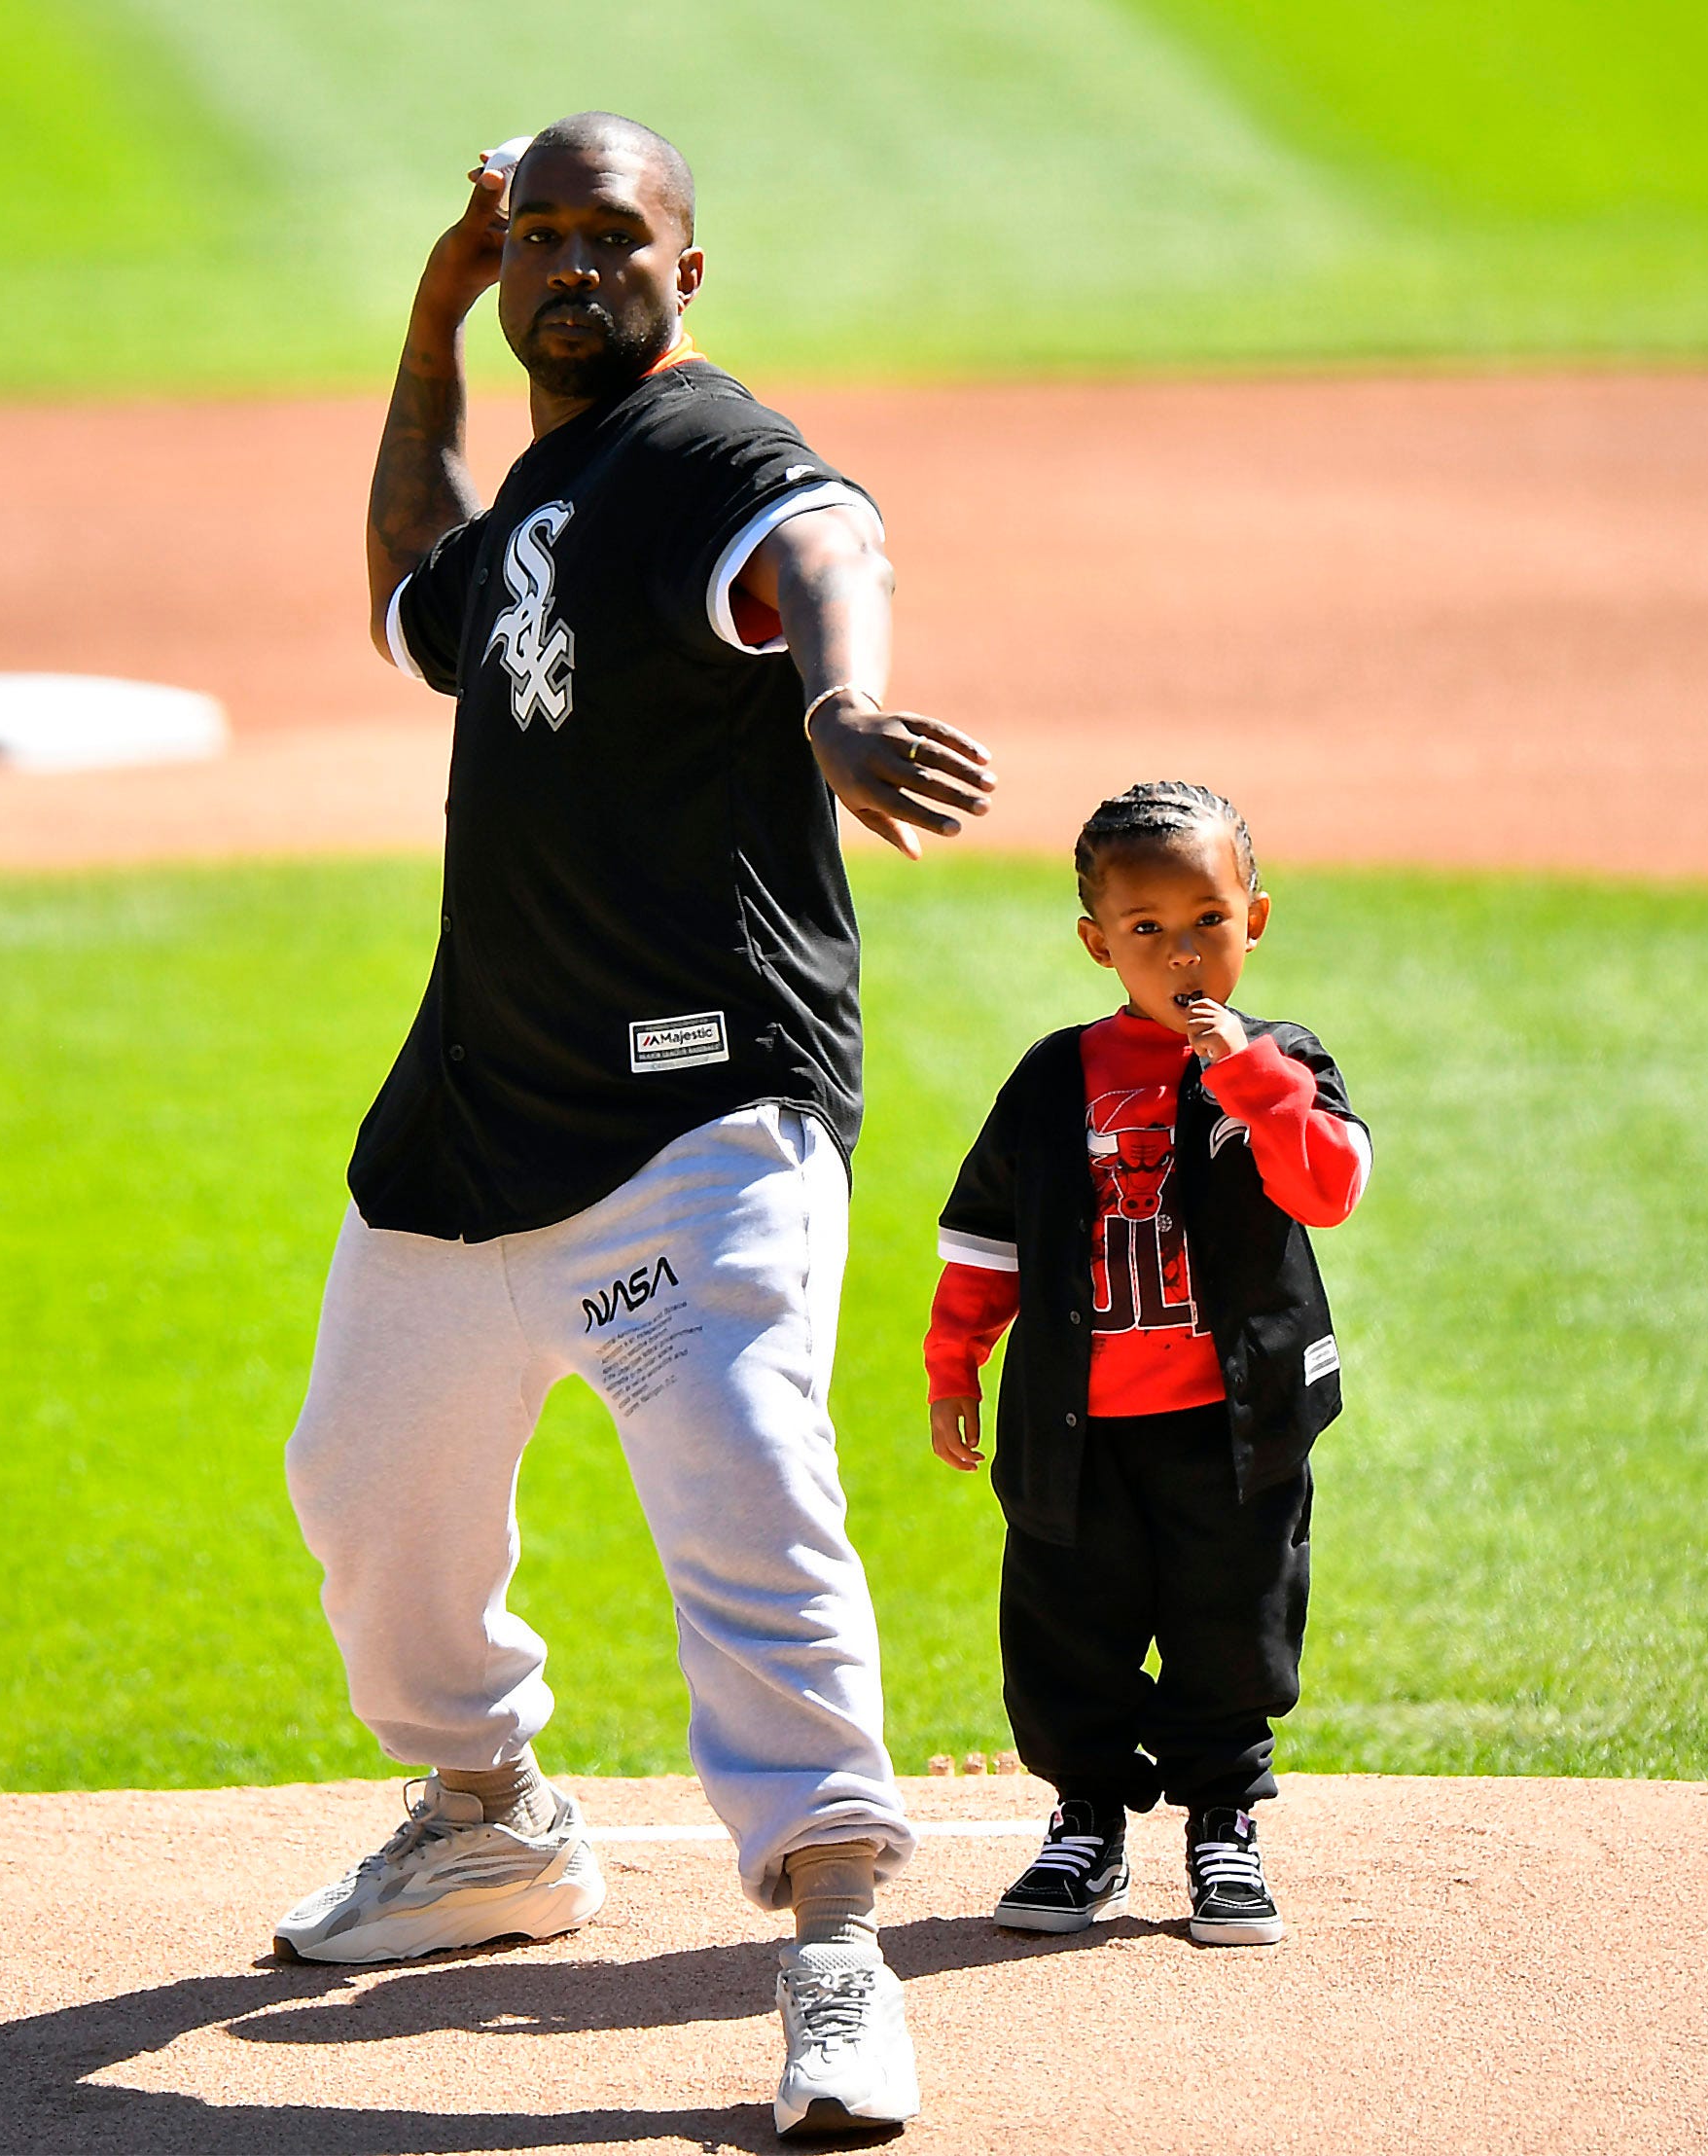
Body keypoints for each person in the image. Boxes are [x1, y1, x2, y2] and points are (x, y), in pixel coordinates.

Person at [273, 112, 996, 2140]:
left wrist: (843, 703)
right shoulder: (537, 503)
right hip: (478, 1111)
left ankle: (835, 1944)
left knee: (750, 1492)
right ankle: (489, 1816)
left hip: (701, 1111)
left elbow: (824, 534)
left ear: (689, 274)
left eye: (618, 237)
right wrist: (426, 320)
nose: (573, 266)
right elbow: (413, 589)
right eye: (543, 240)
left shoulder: (699, 453)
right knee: (365, 1493)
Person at [924, 781, 1369, 1944]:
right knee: (1068, 1628)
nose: (1182, 953)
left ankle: (1223, 1823)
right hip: (1079, 1425)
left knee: (1237, 1622)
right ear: (1098, 942)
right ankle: (1085, 1822)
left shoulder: (1284, 1059)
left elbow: (1326, 1186)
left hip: (1233, 1423)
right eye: (1148, 929)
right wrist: (954, 1362)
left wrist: (1250, 1077)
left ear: (1254, 920)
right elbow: (987, 1239)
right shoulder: (1052, 1075)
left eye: (1209, 922)